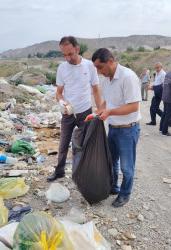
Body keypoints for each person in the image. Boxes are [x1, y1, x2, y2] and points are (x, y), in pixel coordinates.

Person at [91, 48, 141, 207]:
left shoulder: (128, 77)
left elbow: (133, 106)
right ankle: (113, 187)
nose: (98, 72)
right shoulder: (107, 80)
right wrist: (97, 113)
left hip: (127, 130)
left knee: (127, 167)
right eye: (96, 68)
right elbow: (107, 102)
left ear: (110, 61)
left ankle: (125, 194)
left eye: (100, 67)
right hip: (113, 128)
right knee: (111, 162)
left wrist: (110, 111)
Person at [47, 36, 101, 182]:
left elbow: (96, 90)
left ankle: (83, 174)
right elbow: (59, 93)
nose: (68, 58)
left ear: (77, 49)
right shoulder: (62, 68)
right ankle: (59, 171)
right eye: (64, 55)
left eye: (70, 54)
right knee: (63, 143)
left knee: (83, 144)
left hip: (85, 112)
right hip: (68, 112)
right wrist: (61, 103)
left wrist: (100, 110)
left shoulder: (89, 66)